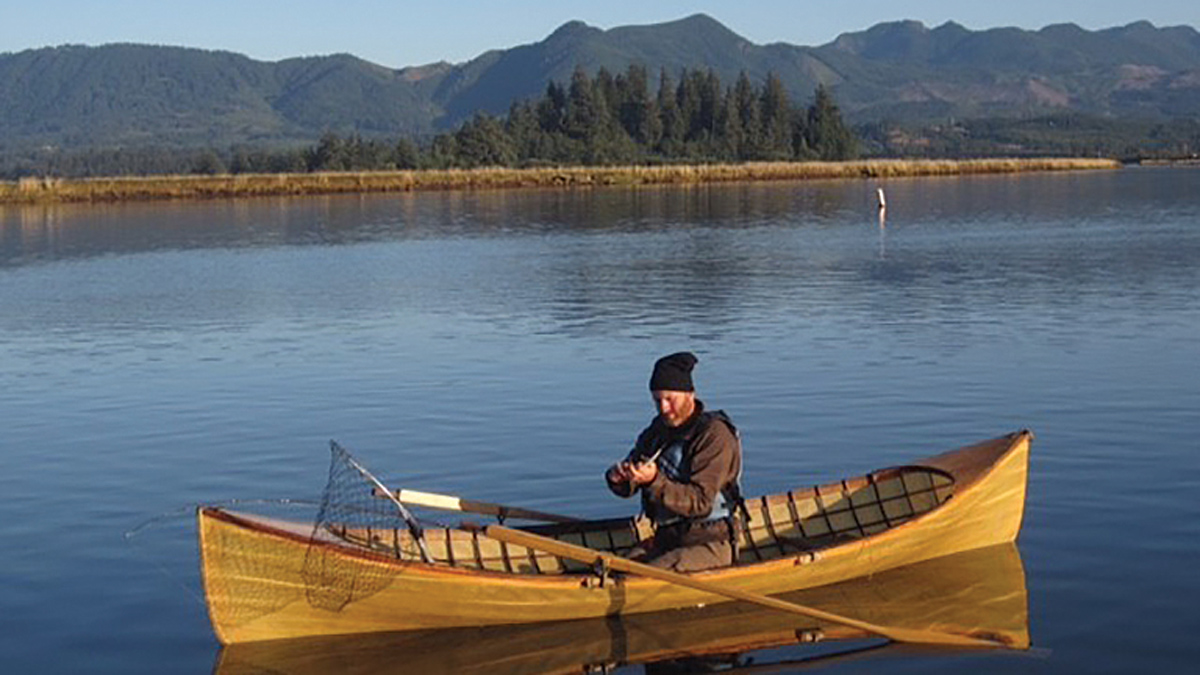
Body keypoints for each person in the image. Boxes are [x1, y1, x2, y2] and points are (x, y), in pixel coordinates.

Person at [606, 352, 744, 572]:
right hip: (667, 539)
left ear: (690, 395)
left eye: (670, 399)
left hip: (710, 542)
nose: (663, 408)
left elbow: (701, 502)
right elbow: (631, 481)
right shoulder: (657, 431)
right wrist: (620, 478)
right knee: (613, 568)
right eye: (657, 400)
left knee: (642, 577)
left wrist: (653, 481)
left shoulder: (714, 435)